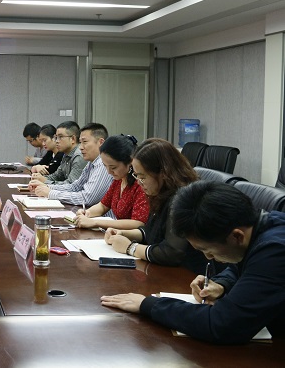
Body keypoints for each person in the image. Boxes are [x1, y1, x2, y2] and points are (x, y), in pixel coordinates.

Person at [101, 181, 285, 344]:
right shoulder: (262, 227)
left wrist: (149, 305)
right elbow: (245, 266)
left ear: (236, 236)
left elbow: (223, 325)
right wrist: (222, 283)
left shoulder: (276, 250)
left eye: (208, 250)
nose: (208, 258)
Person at [102, 138, 208, 273]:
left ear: (164, 173)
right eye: (136, 176)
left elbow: (172, 252)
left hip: (187, 275)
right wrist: (124, 234)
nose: (139, 182)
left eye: (142, 177)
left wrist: (130, 248)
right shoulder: (160, 192)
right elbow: (153, 231)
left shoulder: (183, 198)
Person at [74, 135, 149, 230]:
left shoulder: (140, 184)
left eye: (113, 167)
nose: (109, 172)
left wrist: (95, 222)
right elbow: (103, 206)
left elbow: (138, 223)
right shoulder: (118, 180)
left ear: (130, 162)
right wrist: (87, 213)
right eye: (105, 166)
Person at [30, 123, 112, 206]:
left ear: (101, 142)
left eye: (85, 142)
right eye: (80, 142)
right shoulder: (91, 163)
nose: (81, 147)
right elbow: (75, 187)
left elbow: (87, 198)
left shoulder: (103, 164)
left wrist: (50, 193)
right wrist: (47, 187)